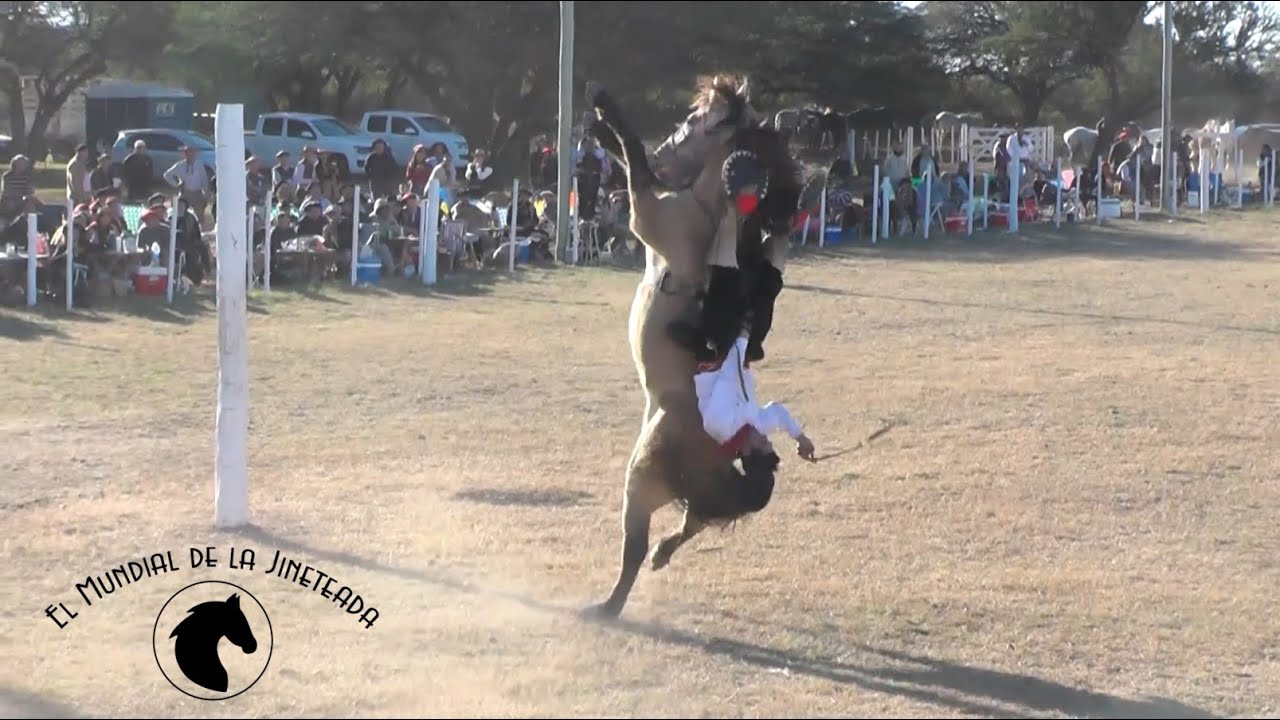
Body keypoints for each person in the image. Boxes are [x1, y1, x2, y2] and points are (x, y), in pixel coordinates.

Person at [694, 332, 815, 463]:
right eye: (768, 442)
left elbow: (730, 375)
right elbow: (778, 413)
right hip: (734, 357)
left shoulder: (721, 425)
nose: (765, 437)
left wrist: (743, 335)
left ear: (746, 451)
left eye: (763, 443)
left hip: (716, 355)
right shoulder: (755, 430)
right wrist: (800, 437)